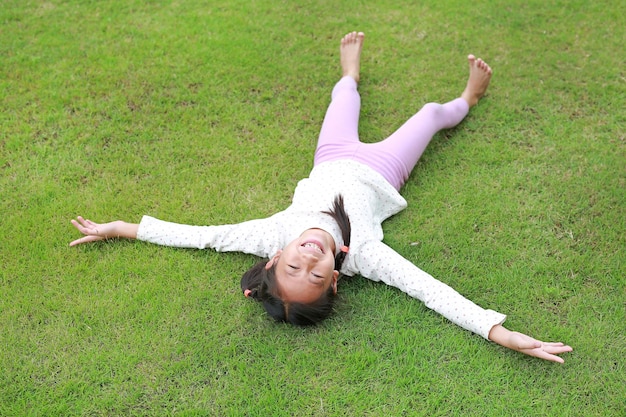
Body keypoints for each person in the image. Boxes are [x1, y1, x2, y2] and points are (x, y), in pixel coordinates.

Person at [70, 32, 573, 363]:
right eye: (315, 276)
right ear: (335, 281)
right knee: (429, 113)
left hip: (330, 154)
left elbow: (200, 238)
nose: (309, 260)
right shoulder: (366, 257)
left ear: (274, 257)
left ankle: (351, 73)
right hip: (384, 170)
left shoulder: (271, 234)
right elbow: (429, 290)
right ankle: (467, 99)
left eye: (293, 268)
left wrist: (120, 229)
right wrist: (497, 332)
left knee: (343, 97)